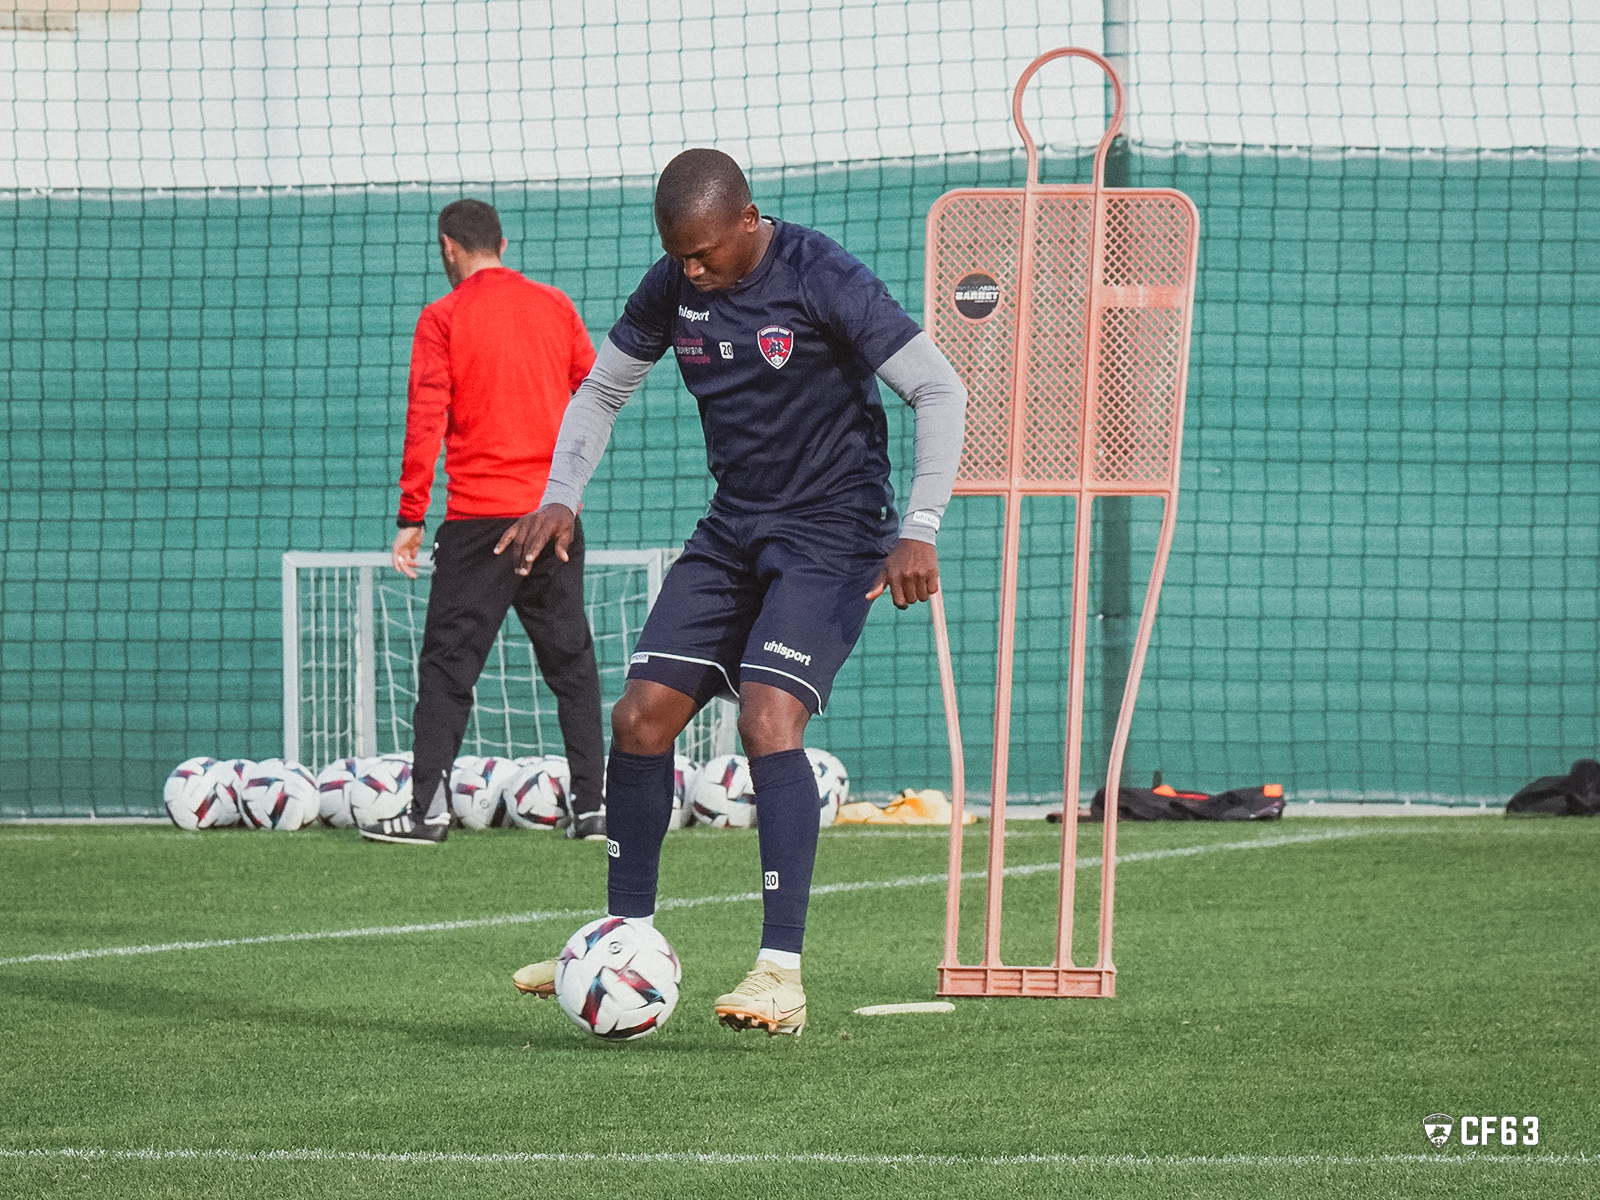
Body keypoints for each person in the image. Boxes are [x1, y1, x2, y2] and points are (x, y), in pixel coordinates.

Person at [500, 150, 967, 1035]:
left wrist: (922, 526)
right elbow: (600, 391)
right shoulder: (671, 285)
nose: (694, 272)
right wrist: (560, 494)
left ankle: (779, 975)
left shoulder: (821, 273)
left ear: (748, 219)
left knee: (766, 718)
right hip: (735, 527)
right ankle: (620, 945)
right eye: (680, 256)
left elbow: (939, 390)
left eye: (707, 253)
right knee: (639, 718)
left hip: (835, 530)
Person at [361, 199, 608, 846]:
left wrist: (411, 516)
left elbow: (427, 420)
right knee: (573, 665)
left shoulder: (443, 317)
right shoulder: (555, 306)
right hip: (551, 519)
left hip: (478, 525)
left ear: (448, 247)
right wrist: (567, 494)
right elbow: (594, 393)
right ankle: (592, 809)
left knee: (448, 669)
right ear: (503, 241)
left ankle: (428, 813)